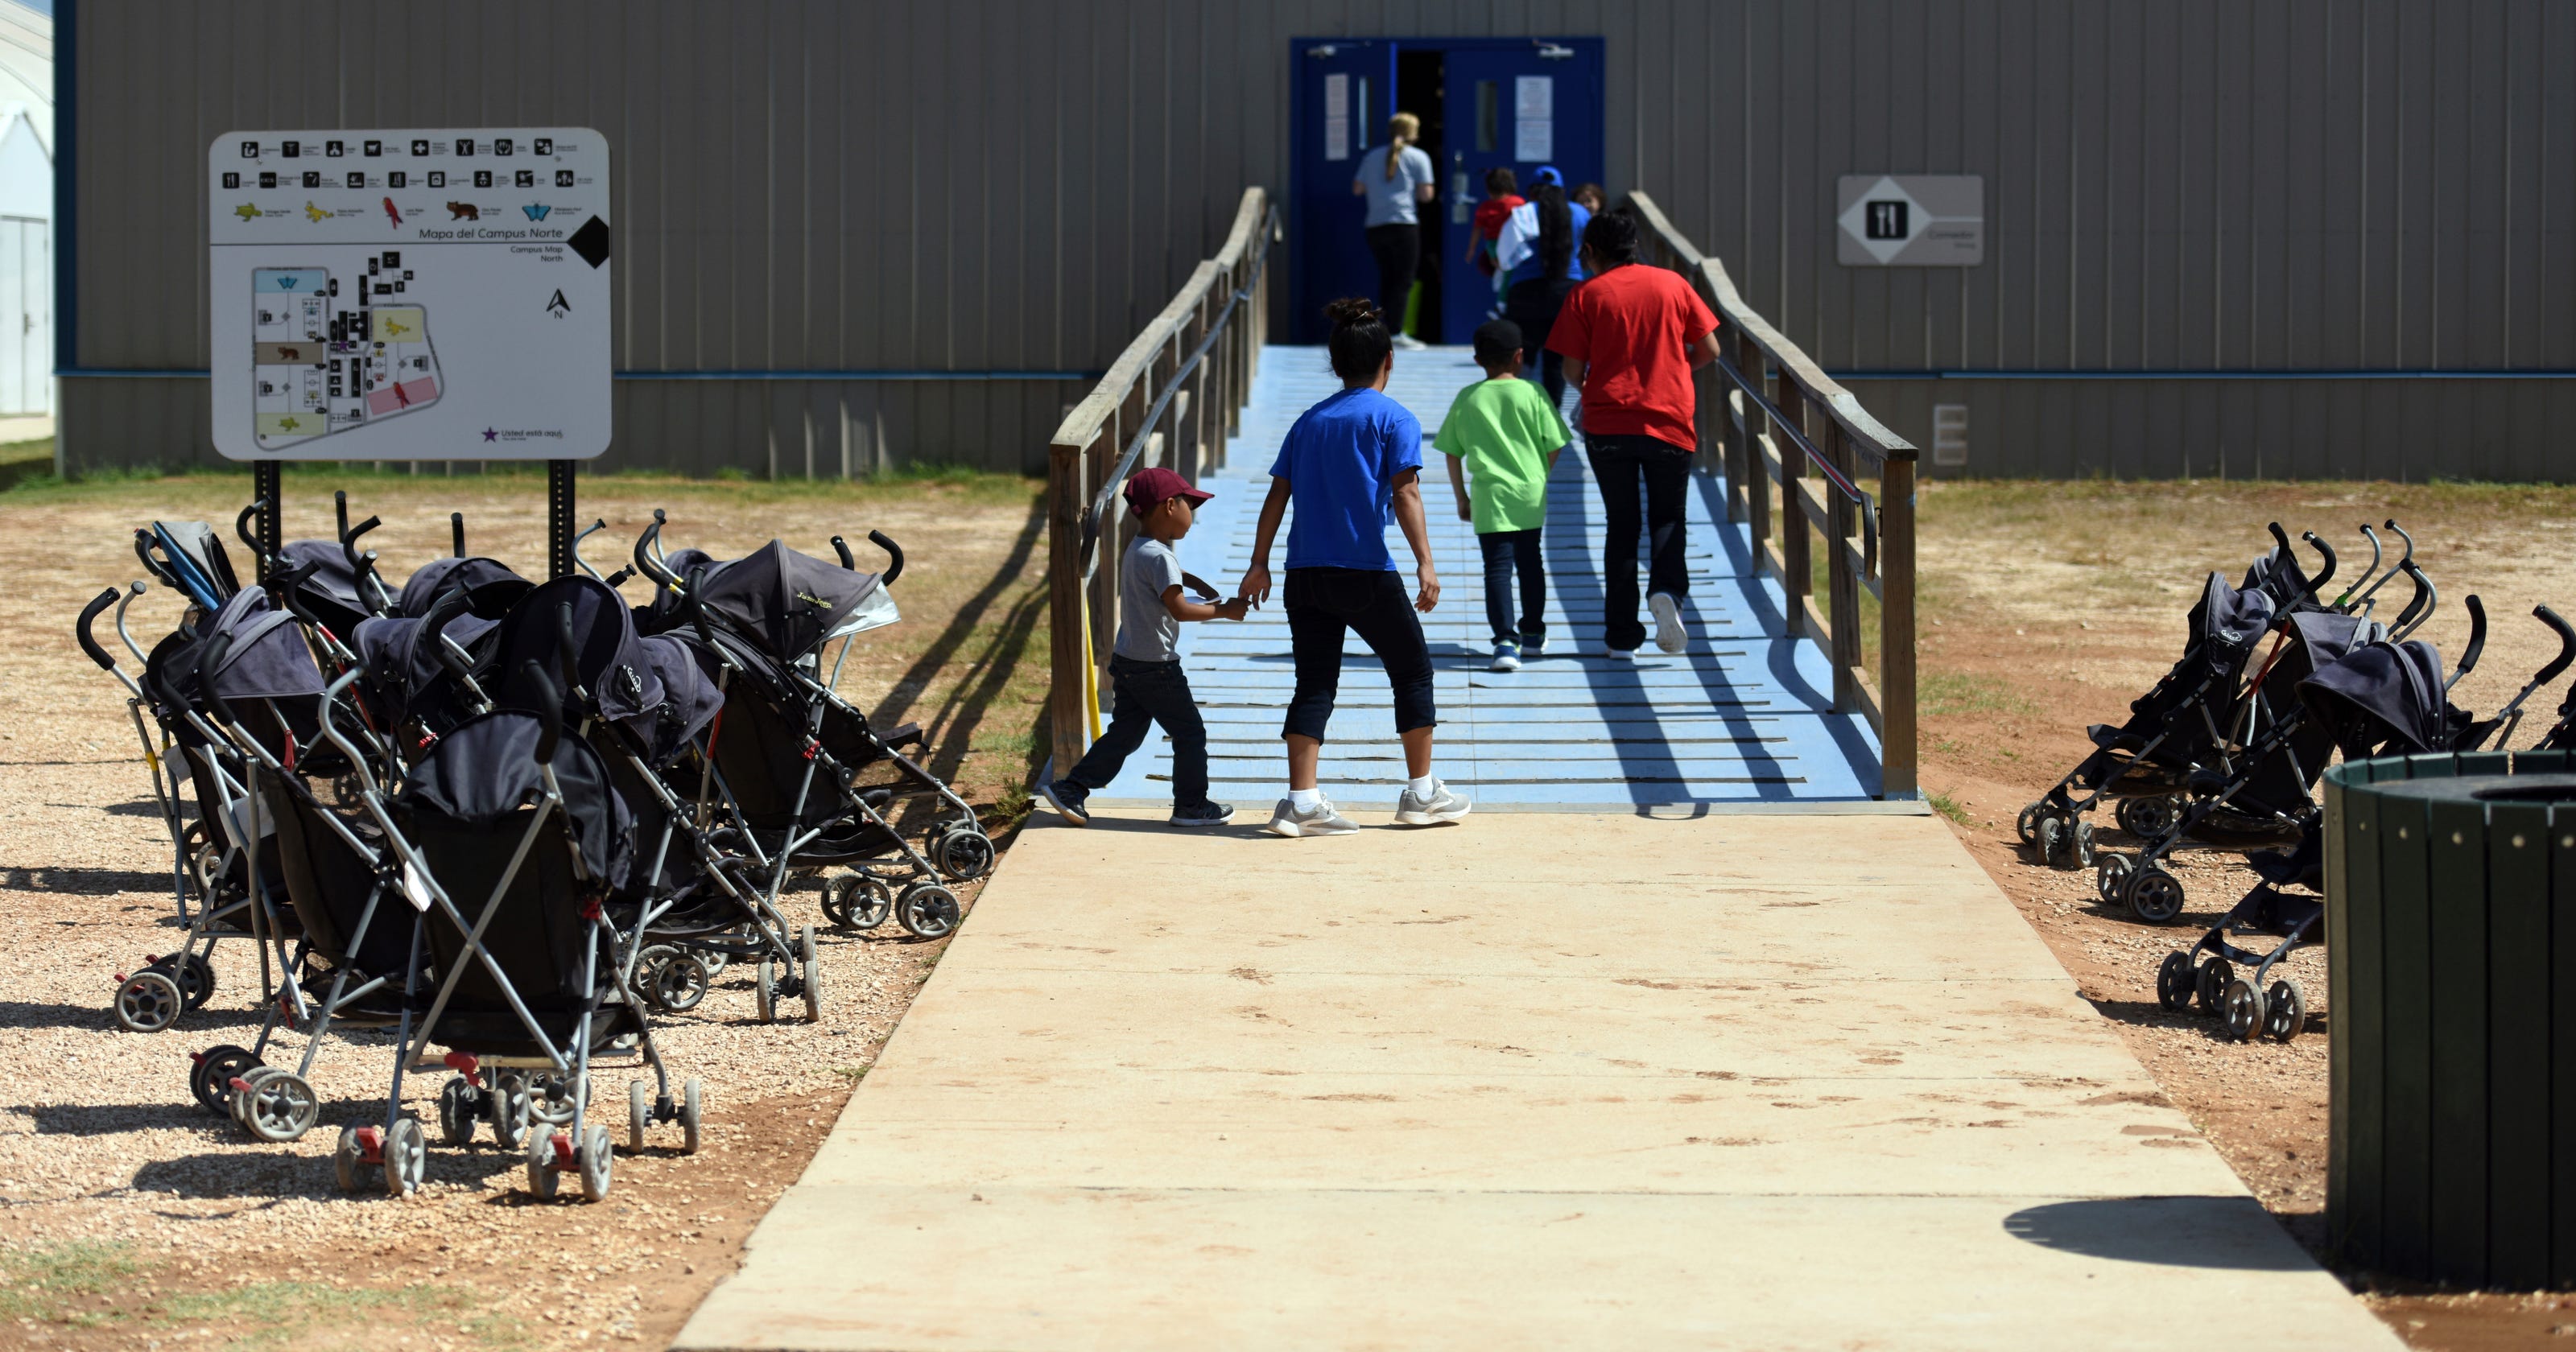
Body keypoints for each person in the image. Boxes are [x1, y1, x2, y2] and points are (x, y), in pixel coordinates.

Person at [1238, 298, 1471, 836]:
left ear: (1336, 363)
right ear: (1390, 360)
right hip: (1364, 570)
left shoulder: (1309, 421)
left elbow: (1277, 495)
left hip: (1303, 573)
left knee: (1314, 682)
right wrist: (1426, 563)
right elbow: (1406, 492)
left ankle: (1301, 801)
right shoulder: (1394, 418)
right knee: (1412, 670)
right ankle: (1421, 794)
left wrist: (1258, 564)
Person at [1546, 208, 1722, 660]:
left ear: (1590, 251)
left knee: (1622, 524)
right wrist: (1676, 370)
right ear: (1634, 246)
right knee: (1668, 517)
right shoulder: (1672, 284)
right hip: (1669, 419)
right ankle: (1666, 591)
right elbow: (1710, 349)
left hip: (1608, 424)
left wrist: (1593, 386)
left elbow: (1570, 371)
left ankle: (1622, 638)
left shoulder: (1586, 295)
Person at [1041, 467, 1249, 829]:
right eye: (1189, 506)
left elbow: (1164, 579)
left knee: (1126, 734)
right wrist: (1225, 611)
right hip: (1156, 667)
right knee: (1190, 733)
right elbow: (1180, 610)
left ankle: (1071, 788)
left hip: (1129, 660)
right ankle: (1191, 806)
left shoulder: (1140, 548)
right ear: (1169, 506)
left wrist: (1191, 580)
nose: (1192, 514)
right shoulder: (1161, 557)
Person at [1436, 318, 1570, 673]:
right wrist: (1540, 474)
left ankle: (1505, 642)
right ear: (1520, 356)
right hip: (1529, 493)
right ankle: (1533, 633)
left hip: (1489, 496)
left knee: (1497, 569)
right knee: (1530, 564)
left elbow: (1451, 452)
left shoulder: (1469, 397)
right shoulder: (1533, 393)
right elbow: (1556, 443)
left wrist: (1461, 498)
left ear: (1478, 361)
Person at [1494, 168, 1591, 411]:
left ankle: (1519, 410)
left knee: (1521, 355)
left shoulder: (1522, 214)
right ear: (1562, 191)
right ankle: (1551, 413)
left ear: (1531, 192)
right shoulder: (1580, 213)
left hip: (1525, 292)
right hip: (1567, 292)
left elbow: (1504, 258)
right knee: (1556, 358)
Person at [1351, 113, 1435, 351]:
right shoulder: (1419, 157)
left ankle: (1383, 329)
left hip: (1375, 226)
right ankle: (1396, 332)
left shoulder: (1372, 157)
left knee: (1387, 278)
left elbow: (1357, 189)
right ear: (1413, 134)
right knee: (1403, 280)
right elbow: (1426, 195)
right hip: (1404, 225)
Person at [1463, 166, 1524, 289]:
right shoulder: (1518, 202)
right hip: (1512, 244)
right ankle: (1505, 297)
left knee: (1504, 273)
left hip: (1493, 246)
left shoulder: (1485, 207)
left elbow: (1477, 229)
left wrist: (1471, 249)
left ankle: (1503, 295)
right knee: (1509, 275)